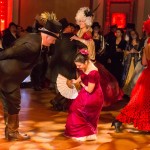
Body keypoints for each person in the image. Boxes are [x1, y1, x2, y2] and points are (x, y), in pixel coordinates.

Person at [0, 12, 62, 141]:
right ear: (47, 35)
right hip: (8, 76)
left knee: (10, 103)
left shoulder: (34, 37)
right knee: (14, 103)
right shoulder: (33, 46)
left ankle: (11, 132)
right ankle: (12, 132)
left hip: (7, 75)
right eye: (54, 38)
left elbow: (15, 46)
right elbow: (11, 51)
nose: (54, 42)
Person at [71, 7, 123, 107]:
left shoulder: (87, 32)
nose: (80, 22)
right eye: (79, 21)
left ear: (86, 21)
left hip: (87, 61)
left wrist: (78, 39)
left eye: (82, 21)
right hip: (80, 60)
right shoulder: (80, 31)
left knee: (90, 82)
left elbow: (90, 44)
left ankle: (91, 101)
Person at [112, 18, 150, 133]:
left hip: (146, 75)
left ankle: (118, 121)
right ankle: (118, 120)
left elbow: (143, 63)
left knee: (139, 102)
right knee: (140, 102)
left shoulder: (147, 45)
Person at [65, 49, 104, 141]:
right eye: (77, 65)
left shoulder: (93, 72)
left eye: (79, 65)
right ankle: (86, 133)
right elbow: (82, 75)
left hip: (93, 96)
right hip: (86, 93)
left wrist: (81, 84)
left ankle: (84, 133)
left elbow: (90, 90)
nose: (78, 67)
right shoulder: (86, 64)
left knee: (78, 111)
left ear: (86, 62)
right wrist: (76, 81)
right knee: (74, 109)